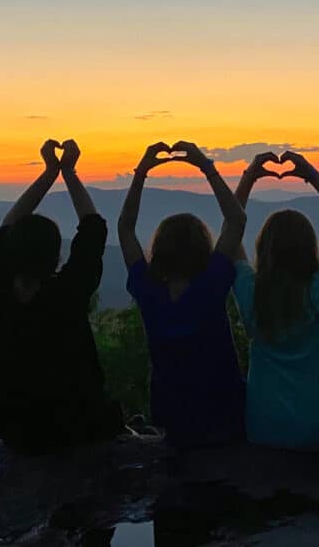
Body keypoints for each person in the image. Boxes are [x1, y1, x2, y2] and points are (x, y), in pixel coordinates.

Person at [0, 139, 123, 455]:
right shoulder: (68, 292)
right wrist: (68, 172)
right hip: (83, 424)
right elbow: (93, 229)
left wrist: (49, 172)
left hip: (17, 427)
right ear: (56, 256)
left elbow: (7, 226)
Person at [118, 141, 247, 449]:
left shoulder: (148, 291)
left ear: (159, 251)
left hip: (173, 417)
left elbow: (125, 228)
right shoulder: (211, 285)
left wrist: (142, 172)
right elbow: (237, 220)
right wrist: (207, 166)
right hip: (225, 413)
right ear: (203, 247)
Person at [232, 150, 319, 450]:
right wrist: (311, 175)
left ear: (264, 248)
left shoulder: (252, 291)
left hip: (265, 428)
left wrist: (248, 178)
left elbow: (230, 233)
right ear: (310, 246)